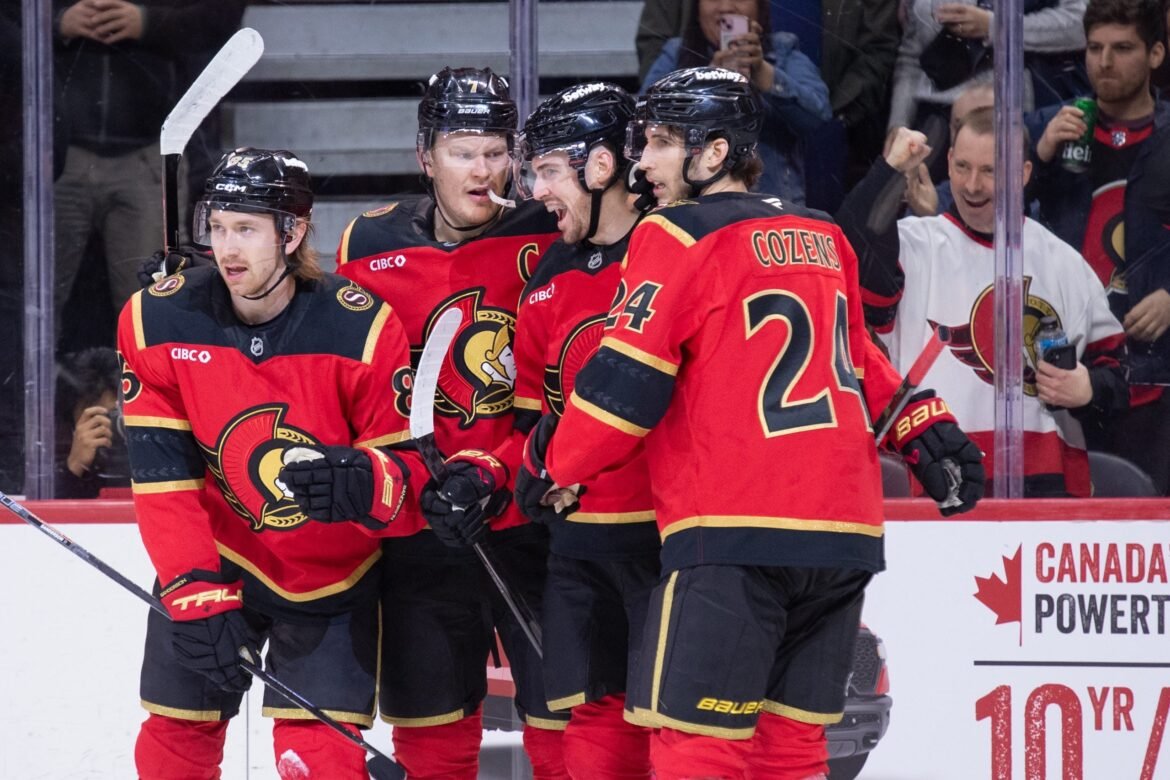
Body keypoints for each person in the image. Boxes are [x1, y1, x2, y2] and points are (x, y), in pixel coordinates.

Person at [515, 66, 984, 780]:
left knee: (696, 751)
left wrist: (552, 464)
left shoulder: (674, 233)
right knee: (790, 755)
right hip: (844, 536)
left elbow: (625, 385)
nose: (643, 163)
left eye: (661, 143)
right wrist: (926, 430)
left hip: (734, 530)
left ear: (713, 153)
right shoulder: (821, 231)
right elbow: (860, 362)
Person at [117, 148, 426, 779]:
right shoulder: (156, 319)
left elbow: (406, 484)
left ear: (293, 232)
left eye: (247, 229)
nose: (227, 249)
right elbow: (163, 481)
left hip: (330, 574)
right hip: (215, 558)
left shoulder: (361, 327)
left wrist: (361, 481)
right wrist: (193, 592)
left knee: (318, 760)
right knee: (173, 745)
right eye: (218, 226)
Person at [332, 68, 566, 779]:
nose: (483, 170)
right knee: (433, 738)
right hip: (422, 526)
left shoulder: (552, 229)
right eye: (463, 152)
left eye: (496, 152)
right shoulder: (367, 243)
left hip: (531, 519)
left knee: (565, 730)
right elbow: (325, 351)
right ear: (425, 157)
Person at [856, 107, 1129, 496]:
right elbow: (849, 245)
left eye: (989, 171)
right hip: (936, 481)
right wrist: (888, 170)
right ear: (948, 161)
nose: (972, 185)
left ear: (1024, 174)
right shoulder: (911, 246)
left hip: (1043, 484)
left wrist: (1087, 390)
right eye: (962, 167)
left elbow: (1119, 380)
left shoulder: (1064, 264)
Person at [510, 83, 659, 779]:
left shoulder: (673, 249)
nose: (536, 191)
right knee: (593, 740)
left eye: (548, 171)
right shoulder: (547, 274)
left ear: (601, 167)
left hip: (668, 543)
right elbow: (533, 417)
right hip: (579, 549)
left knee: (684, 738)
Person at [1027, 0, 1170, 492]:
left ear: (1156, 54)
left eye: (1122, 48)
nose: (1104, 62)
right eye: (1094, 48)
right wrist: (1038, 155)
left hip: (1153, 376)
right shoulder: (1052, 128)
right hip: (1065, 368)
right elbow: (984, 219)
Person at [53, 0, 243, 347]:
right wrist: (56, 22)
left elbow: (222, 16)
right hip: (57, 154)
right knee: (37, 298)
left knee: (152, 301)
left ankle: (151, 383)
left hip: (147, 150)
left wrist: (149, 22)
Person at [641, 0, 832, 204]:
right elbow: (643, 116)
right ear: (696, 9)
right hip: (687, 203)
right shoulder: (676, 53)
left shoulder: (784, 50)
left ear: (760, 8)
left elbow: (818, 116)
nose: (726, 7)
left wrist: (764, 73)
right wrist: (708, 80)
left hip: (771, 204)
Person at [889, 0, 1087, 181]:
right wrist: (898, 124)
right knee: (899, 191)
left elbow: (1081, 24)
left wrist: (996, 26)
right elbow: (911, 56)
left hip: (1005, 115)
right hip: (930, 114)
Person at [55, 346, 129, 498]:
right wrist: (74, 467)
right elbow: (36, 510)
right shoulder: (50, 459)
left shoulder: (149, 442)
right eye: (97, 416)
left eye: (118, 415)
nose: (111, 426)